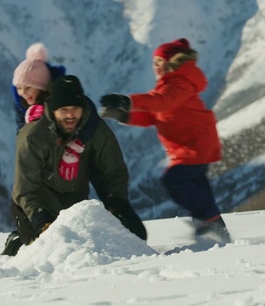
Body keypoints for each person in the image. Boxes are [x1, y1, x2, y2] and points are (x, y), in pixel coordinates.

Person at [99, 38, 231, 245]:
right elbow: (154, 115)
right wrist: (123, 115)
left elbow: (162, 102)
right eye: (154, 62)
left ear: (174, 62)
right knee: (196, 185)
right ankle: (214, 225)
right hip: (189, 146)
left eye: (160, 60)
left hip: (194, 145)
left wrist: (128, 101)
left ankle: (208, 222)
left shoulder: (180, 83)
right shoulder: (171, 84)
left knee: (174, 180)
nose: (156, 66)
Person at [5, 75, 147, 256]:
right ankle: (19, 241)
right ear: (53, 111)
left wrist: (117, 204)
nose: (70, 115)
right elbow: (24, 190)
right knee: (46, 250)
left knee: (135, 235)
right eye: (64, 110)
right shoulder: (33, 137)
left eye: (75, 109)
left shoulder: (96, 130)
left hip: (73, 206)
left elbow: (113, 171)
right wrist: (41, 219)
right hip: (33, 204)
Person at [1, 43, 66, 256]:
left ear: (42, 86)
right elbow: (21, 136)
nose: (23, 93)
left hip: (63, 168)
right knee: (21, 199)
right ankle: (28, 239)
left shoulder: (60, 102)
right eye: (19, 88)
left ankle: (32, 241)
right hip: (37, 164)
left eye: (28, 88)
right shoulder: (22, 105)